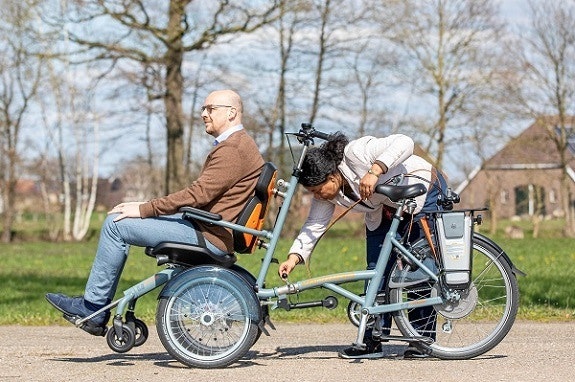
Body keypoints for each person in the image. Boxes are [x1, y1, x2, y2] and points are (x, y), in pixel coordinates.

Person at [46, 89, 265, 336]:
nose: (204, 114)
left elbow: (197, 195)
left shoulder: (233, 149)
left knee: (116, 224)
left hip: (209, 233)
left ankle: (92, 308)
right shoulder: (240, 144)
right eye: (203, 109)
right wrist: (146, 209)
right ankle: (94, 307)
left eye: (210, 109)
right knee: (124, 216)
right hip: (208, 227)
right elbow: (202, 197)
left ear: (232, 112)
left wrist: (144, 208)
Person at [278, 131, 449, 359]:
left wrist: (375, 170)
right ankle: (372, 340)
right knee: (375, 273)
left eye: (318, 190)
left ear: (332, 176)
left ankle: (421, 339)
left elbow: (405, 142)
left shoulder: (357, 152)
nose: (318, 196)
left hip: (421, 191)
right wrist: (294, 256)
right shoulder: (327, 194)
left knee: (419, 273)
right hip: (384, 209)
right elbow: (315, 224)